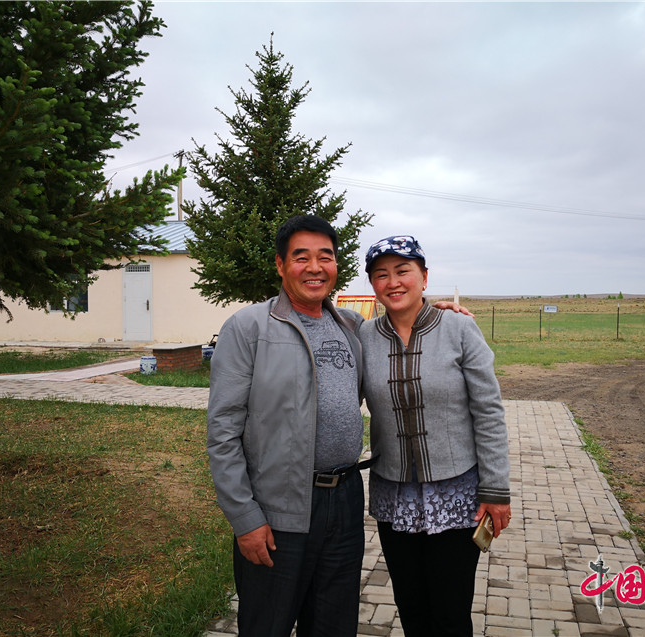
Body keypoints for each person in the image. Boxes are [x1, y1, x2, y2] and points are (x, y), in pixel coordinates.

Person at [207, 217, 469, 636]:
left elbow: (400, 324)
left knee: (333, 625)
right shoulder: (249, 328)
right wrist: (244, 517)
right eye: (301, 257)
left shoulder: (352, 327)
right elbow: (222, 433)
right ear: (280, 265)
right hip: (277, 507)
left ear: (335, 265)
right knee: (267, 625)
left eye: (324, 257)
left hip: (344, 503)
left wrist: (435, 311)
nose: (314, 267)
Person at [359, 234, 512, 637]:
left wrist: (495, 489)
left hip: (457, 496)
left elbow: (488, 411)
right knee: (411, 606)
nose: (393, 282)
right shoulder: (363, 337)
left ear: (424, 277)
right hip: (394, 498)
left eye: (403, 271)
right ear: (372, 285)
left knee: (450, 611)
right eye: (381, 274)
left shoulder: (459, 328)